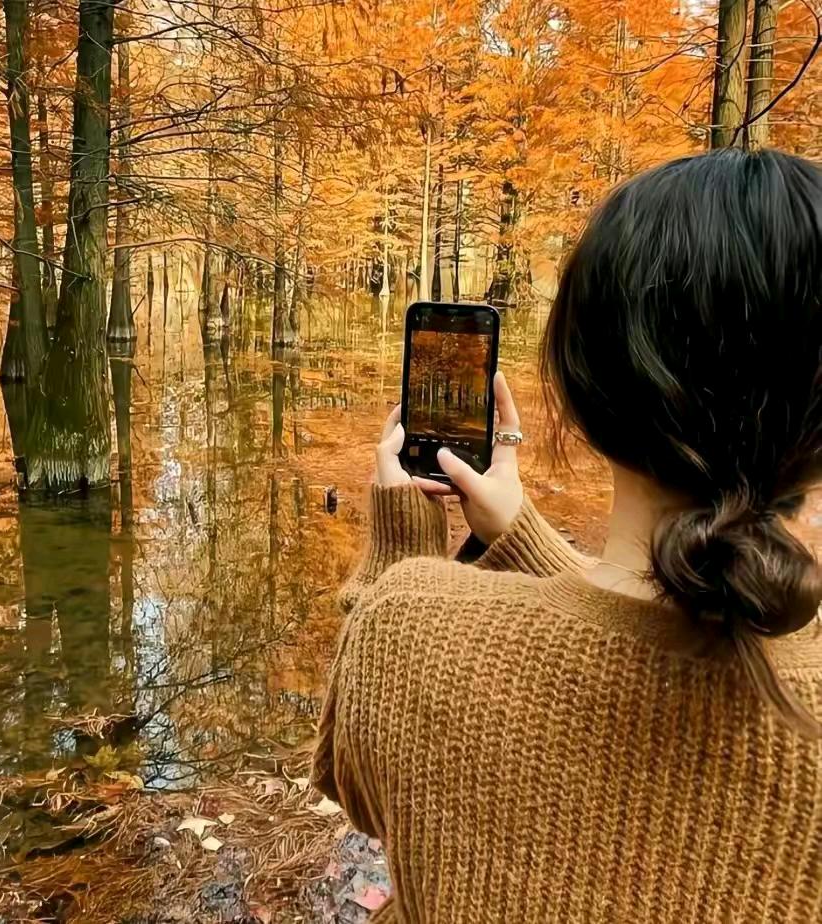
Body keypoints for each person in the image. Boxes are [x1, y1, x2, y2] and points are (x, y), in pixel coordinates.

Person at [312, 148, 822, 923]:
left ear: (584, 389)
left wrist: (399, 555)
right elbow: (643, 628)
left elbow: (359, 784)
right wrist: (521, 536)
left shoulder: (408, 624)